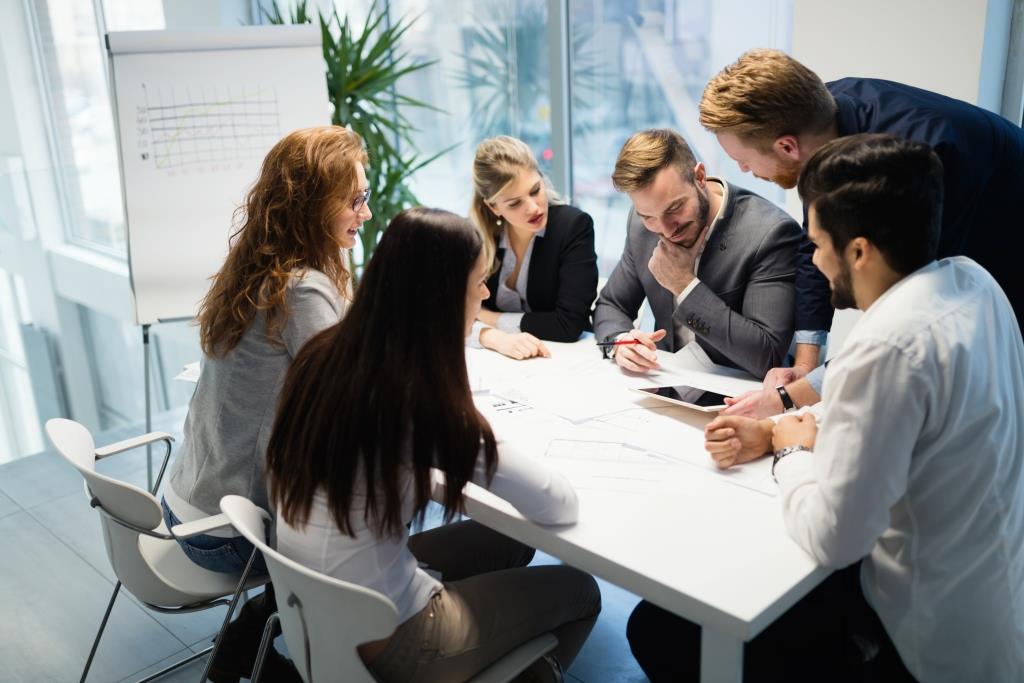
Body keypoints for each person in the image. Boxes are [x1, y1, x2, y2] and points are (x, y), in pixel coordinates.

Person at [635, 134, 1024, 682]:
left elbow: (834, 537)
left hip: (919, 632)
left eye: (817, 244)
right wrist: (774, 432)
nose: (814, 262)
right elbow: (904, 423)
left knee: (663, 629)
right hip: (996, 593)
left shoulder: (887, 345)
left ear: (859, 250)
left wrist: (789, 451)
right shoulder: (974, 282)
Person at [266, 207, 602, 683]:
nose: (485, 294)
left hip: (323, 608)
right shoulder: (414, 395)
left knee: (509, 537)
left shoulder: (326, 353)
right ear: (443, 297)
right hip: (395, 638)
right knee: (580, 588)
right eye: (479, 282)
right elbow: (558, 503)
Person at [698, 48, 1024, 418]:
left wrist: (791, 399)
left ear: (787, 146)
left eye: (743, 159)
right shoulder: (814, 120)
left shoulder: (919, 158)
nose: (742, 170)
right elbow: (813, 245)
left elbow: (899, 324)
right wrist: (805, 365)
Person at [162, 126, 371, 681]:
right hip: (230, 536)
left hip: (186, 505)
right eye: (355, 200)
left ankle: (253, 640)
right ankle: (277, 638)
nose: (365, 214)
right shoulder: (302, 287)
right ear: (314, 204)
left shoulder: (256, 264)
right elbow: (349, 399)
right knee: (364, 521)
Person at [592, 128, 802, 378]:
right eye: (649, 216)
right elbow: (611, 305)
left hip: (738, 393)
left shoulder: (769, 233)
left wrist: (684, 285)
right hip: (664, 383)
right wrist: (621, 343)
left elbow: (767, 354)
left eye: (675, 208)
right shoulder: (641, 225)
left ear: (700, 177)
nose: (666, 230)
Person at [468, 136, 598, 359]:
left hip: (562, 360)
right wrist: (491, 336)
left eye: (536, 190)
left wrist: (491, 319)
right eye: (515, 203)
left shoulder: (573, 227)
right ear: (493, 207)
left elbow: (569, 324)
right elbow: (449, 315)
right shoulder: (477, 236)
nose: (533, 207)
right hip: (495, 362)